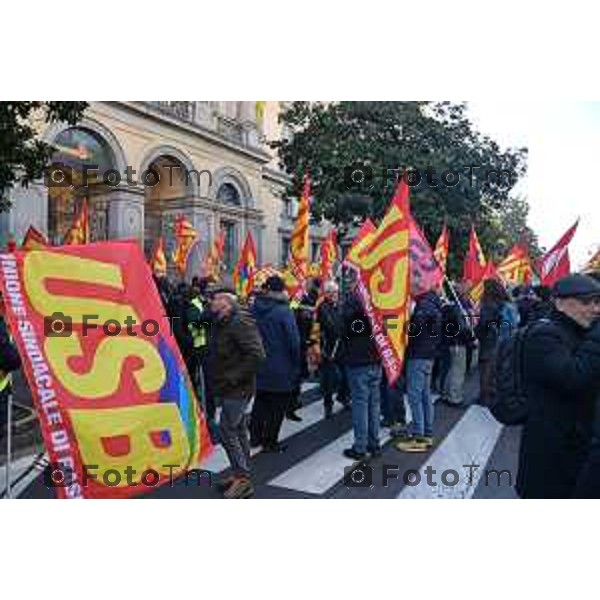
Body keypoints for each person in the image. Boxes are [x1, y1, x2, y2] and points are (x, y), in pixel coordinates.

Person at [516, 274, 600, 499]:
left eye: (597, 302)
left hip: (576, 448)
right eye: (587, 302)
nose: (595, 309)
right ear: (560, 303)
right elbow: (572, 377)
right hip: (550, 454)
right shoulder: (544, 334)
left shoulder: (581, 331)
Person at [206, 290, 265, 498]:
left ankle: (243, 479)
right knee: (238, 429)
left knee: (227, 431)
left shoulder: (239, 322)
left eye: (215, 298)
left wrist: (233, 377)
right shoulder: (222, 321)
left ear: (226, 303)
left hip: (238, 388)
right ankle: (241, 474)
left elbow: (257, 355)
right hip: (228, 386)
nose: (211, 301)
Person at [250, 276, 301, 453]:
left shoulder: (254, 308)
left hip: (260, 362)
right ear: (281, 291)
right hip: (281, 364)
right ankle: (270, 441)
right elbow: (293, 341)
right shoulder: (284, 311)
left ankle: (254, 437)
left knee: (261, 400)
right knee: (277, 406)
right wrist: (296, 363)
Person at [395, 287, 443, 452]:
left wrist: (405, 325)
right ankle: (427, 433)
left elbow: (414, 330)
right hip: (429, 355)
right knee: (425, 395)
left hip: (418, 355)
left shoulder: (423, 307)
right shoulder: (434, 305)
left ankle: (418, 437)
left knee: (415, 396)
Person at [341, 274, 382, 460]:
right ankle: (374, 444)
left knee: (360, 405)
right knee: (373, 404)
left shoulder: (352, 304)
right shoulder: (378, 302)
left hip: (358, 361)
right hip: (375, 358)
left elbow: (343, 329)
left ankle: (360, 447)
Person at [475, 278, 519, 406]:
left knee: (485, 368)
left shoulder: (489, 304)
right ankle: (493, 393)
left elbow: (484, 323)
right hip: (504, 339)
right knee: (495, 368)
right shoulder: (506, 303)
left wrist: (477, 333)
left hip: (490, 339)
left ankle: (484, 397)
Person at [316, 281, 348, 419]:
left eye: (336, 292)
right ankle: (327, 405)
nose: (334, 295)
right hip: (328, 348)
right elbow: (330, 326)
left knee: (345, 376)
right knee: (330, 378)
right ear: (326, 293)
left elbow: (346, 322)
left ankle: (343, 397)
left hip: (342, 346)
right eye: (331, 292)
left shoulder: (341, 306)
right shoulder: (322, 307)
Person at [440, 283, 475, 408]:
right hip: (458, 342)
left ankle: (446, 394)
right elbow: (462, 327)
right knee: (458, 371)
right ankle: (455, 398)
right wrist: (471, 338)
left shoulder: (453, 306)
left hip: (453, 341)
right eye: (466, 290)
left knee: (452, 369)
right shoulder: (458, 307)